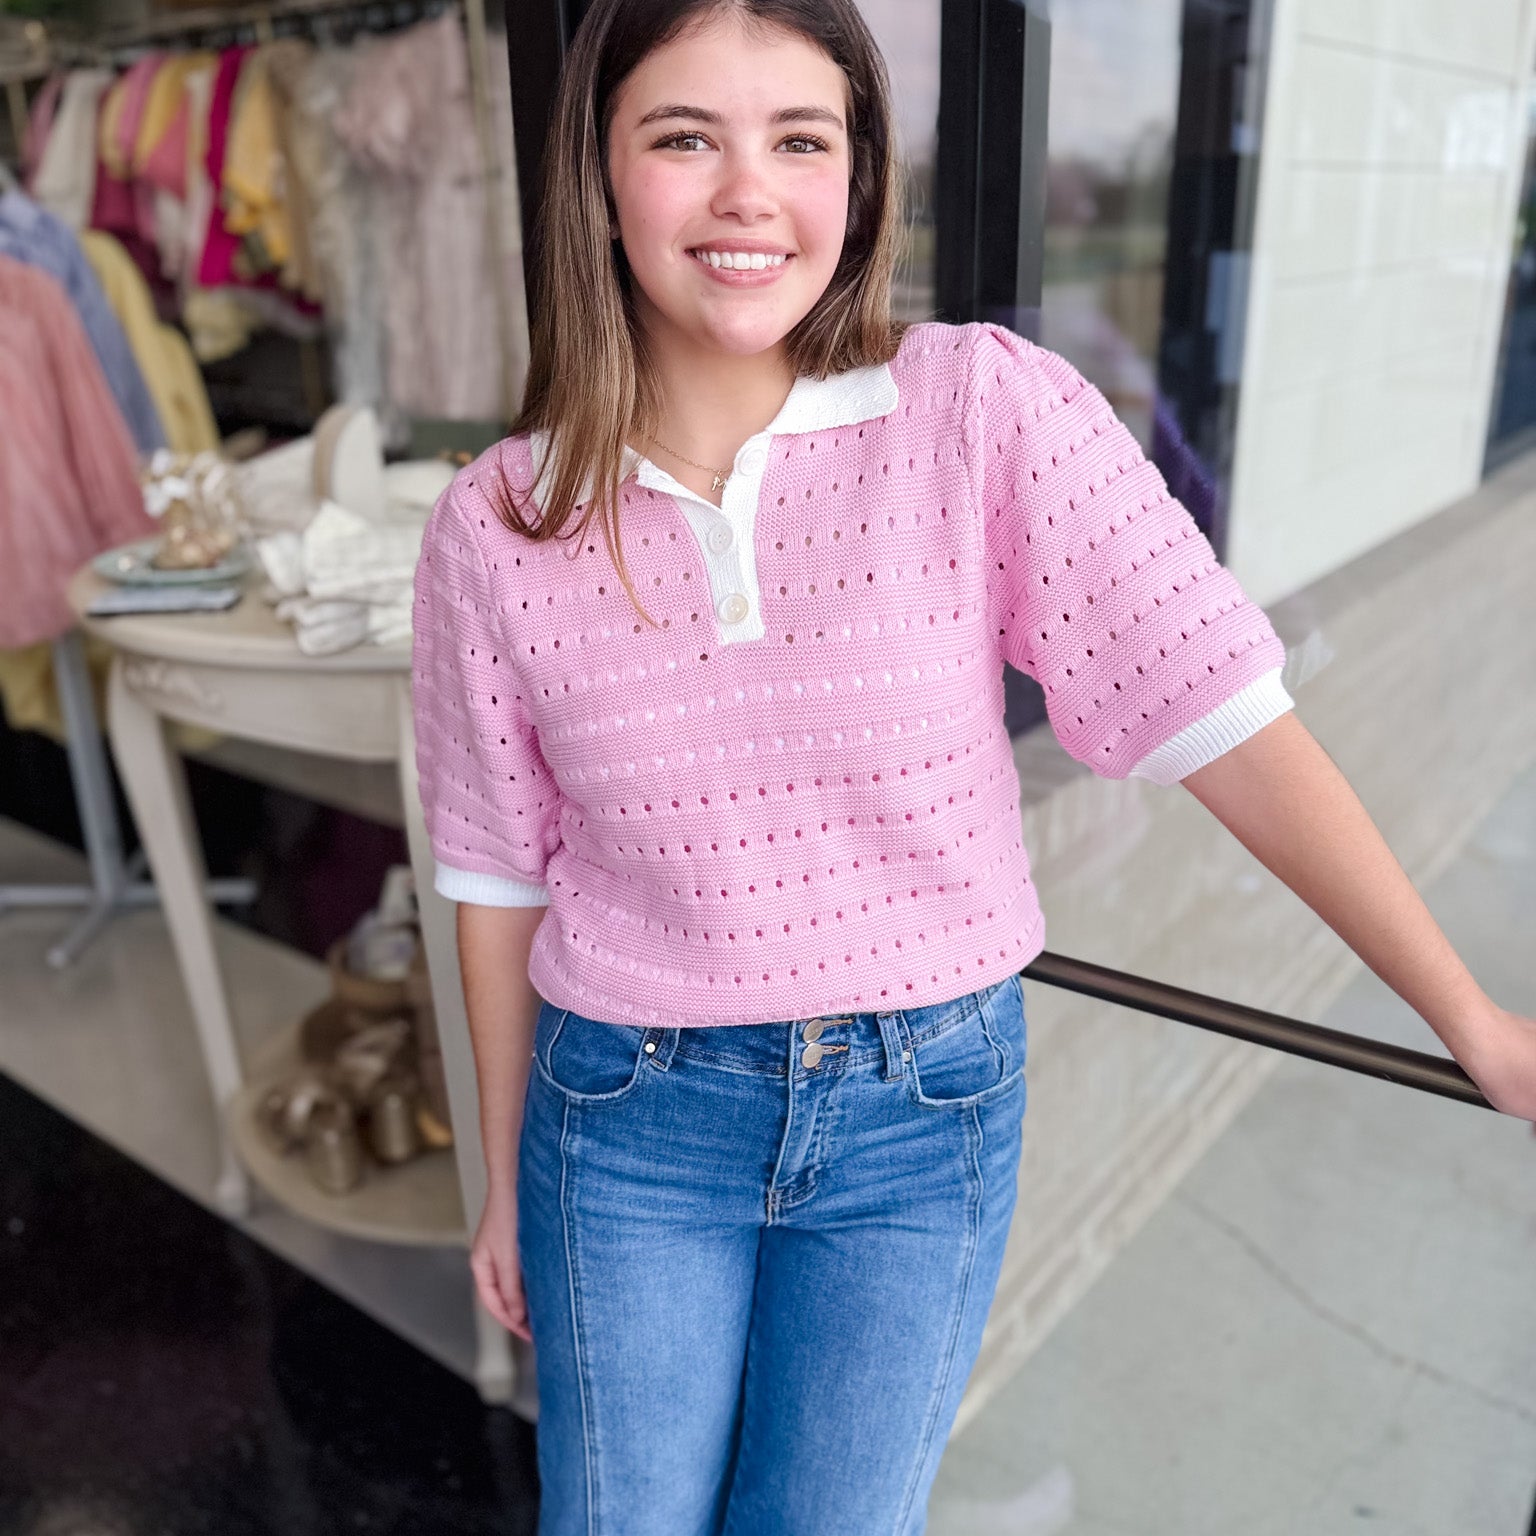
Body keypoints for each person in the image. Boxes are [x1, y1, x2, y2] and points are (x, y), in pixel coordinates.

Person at [409, 1, 1536, 1530]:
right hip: (624, 1119)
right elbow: (487, 871)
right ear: (603, 185)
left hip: (918, 1115)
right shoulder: (498, 521)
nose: (749, 192)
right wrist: (499, 1175)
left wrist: (1463, 1011)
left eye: (801, 140)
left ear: (863, 181)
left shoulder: (980, 411)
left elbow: (1223, 716)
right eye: (685, 138)